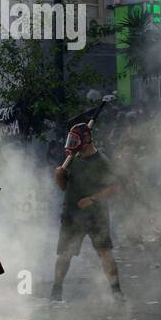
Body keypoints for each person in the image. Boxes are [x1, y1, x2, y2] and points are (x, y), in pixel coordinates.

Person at [50, 122, 124, 305]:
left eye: (75, 140)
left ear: (86, 140)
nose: (72, 144)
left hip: (96, 216)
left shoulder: (102, 162)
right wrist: (59, 176)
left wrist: (92, 199)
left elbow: (115, 188)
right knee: (64, 254)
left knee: (105, 253)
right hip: (71, 214)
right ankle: (55, 294)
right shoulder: (72, 159)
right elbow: (64, 187)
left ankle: (117, 293)